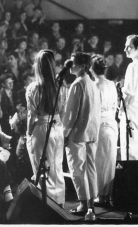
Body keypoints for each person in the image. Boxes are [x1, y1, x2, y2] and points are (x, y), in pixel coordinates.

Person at [63, 52, 101, 221]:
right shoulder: (93, 84)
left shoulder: (78, 84)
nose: (71, 64)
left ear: (83, 66)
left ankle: (84, 204)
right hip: (92, 132)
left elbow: (71, 114)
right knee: (91, 169)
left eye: (74, 62)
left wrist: (64, 133)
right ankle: (91, 204)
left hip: (78, 133)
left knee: (77, 169)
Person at [26, 50, 67, 206]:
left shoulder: (34, 88)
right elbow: (63, 111)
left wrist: (29, 134)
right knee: (57, 167)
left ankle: (46, 203)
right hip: (58, 128)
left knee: (42, 168)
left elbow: (31, 114)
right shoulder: (61, 86)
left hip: (42, 128)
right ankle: (59, 202)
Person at [91, 55, 118, 208]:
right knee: (108, 161)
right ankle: (105, 195)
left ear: (91, 69)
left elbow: (93, 110)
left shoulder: (94, 86)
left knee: (100, 162)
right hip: (112, 125)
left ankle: (101, 196)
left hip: (100, 126)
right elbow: (115, 106)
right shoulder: (111, 85)